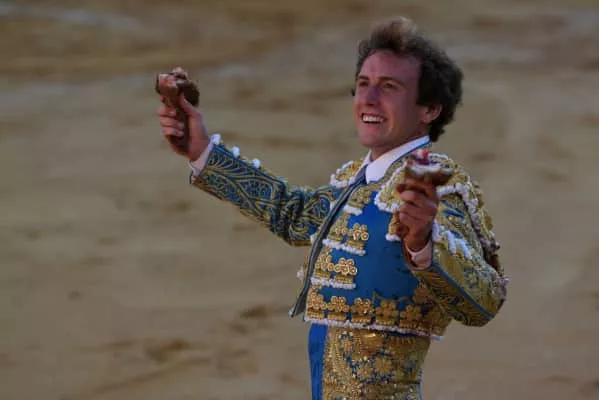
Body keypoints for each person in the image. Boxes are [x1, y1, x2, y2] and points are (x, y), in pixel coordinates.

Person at [156, 16, 507, 400]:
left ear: (429, 109)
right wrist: (202, 152)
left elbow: (485, 301)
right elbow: (292, 213)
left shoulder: (435, 184)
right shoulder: (355, 182)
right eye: (363, 84)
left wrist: (425, 242)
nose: (369, 98)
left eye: (389, 87)